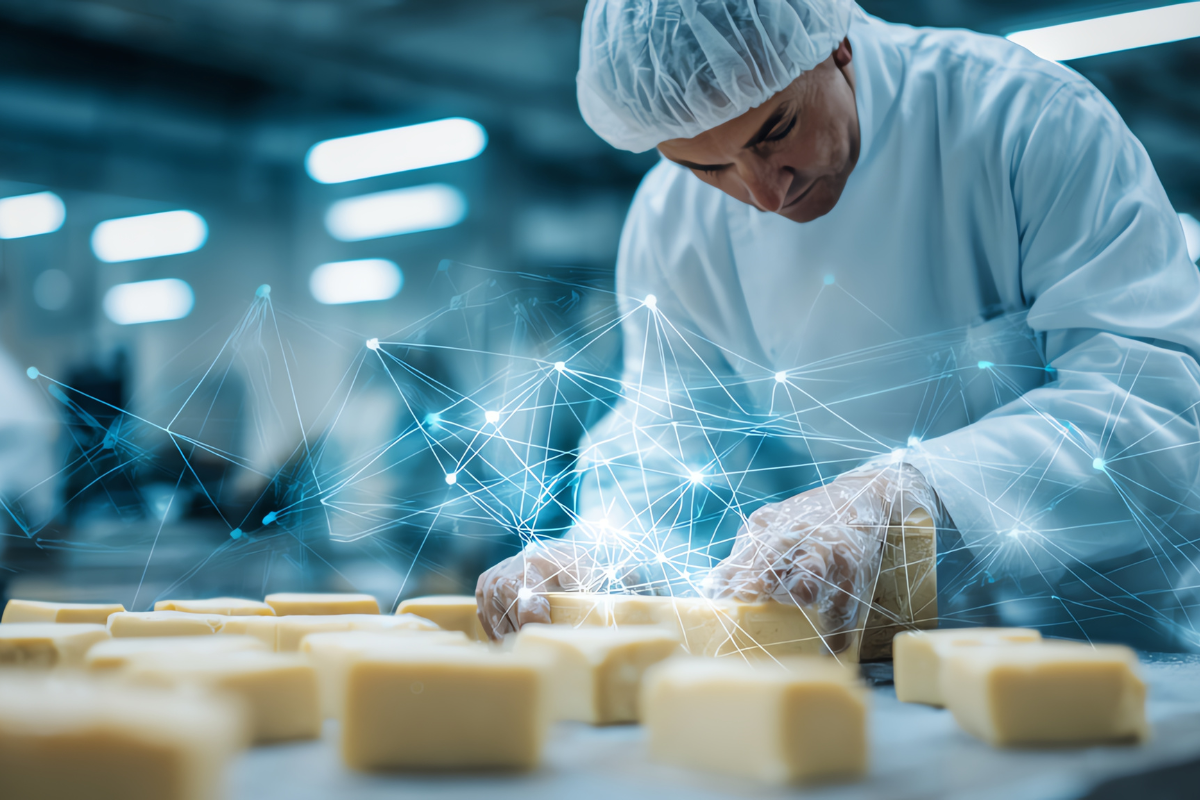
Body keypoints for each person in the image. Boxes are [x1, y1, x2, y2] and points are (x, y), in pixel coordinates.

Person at [477, 0, 1200, 651]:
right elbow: (673, 452)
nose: (762, 191)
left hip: (1123, 651)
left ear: (838, 50)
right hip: (872, 678)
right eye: (710, 168)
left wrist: (911, 494)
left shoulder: (1022, 118)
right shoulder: (672, 223)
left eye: (775, 131)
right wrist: (601, 554)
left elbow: (1159, 402)